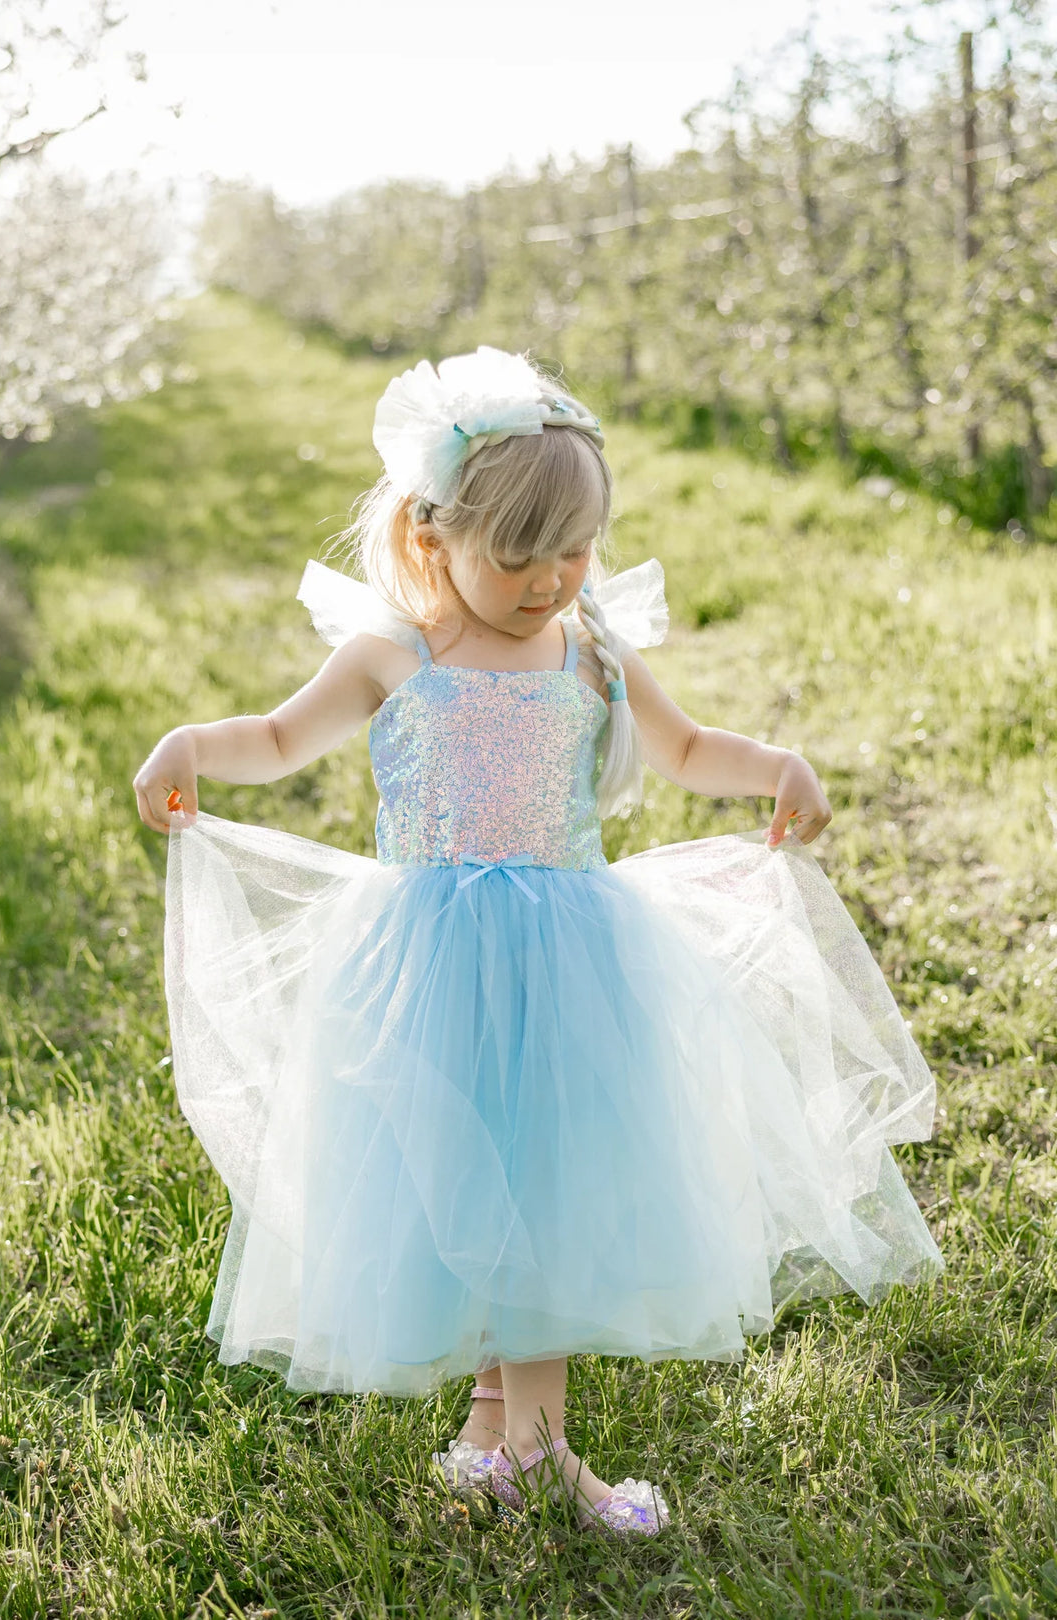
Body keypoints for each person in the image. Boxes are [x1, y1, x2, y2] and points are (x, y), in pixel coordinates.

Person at [134, 345, 943, 1539]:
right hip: (430, 962)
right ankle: (510, 1438)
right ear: (432, 536)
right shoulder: (393, 656)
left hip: (571, 960)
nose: (551, 579)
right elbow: (275, 734)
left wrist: (774, 765)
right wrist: (192, 745)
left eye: (575, 550)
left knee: (547, 1187)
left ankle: (525, 1444)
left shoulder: (591, 654)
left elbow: (685, 749)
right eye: (518, 556)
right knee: (468, 1185)